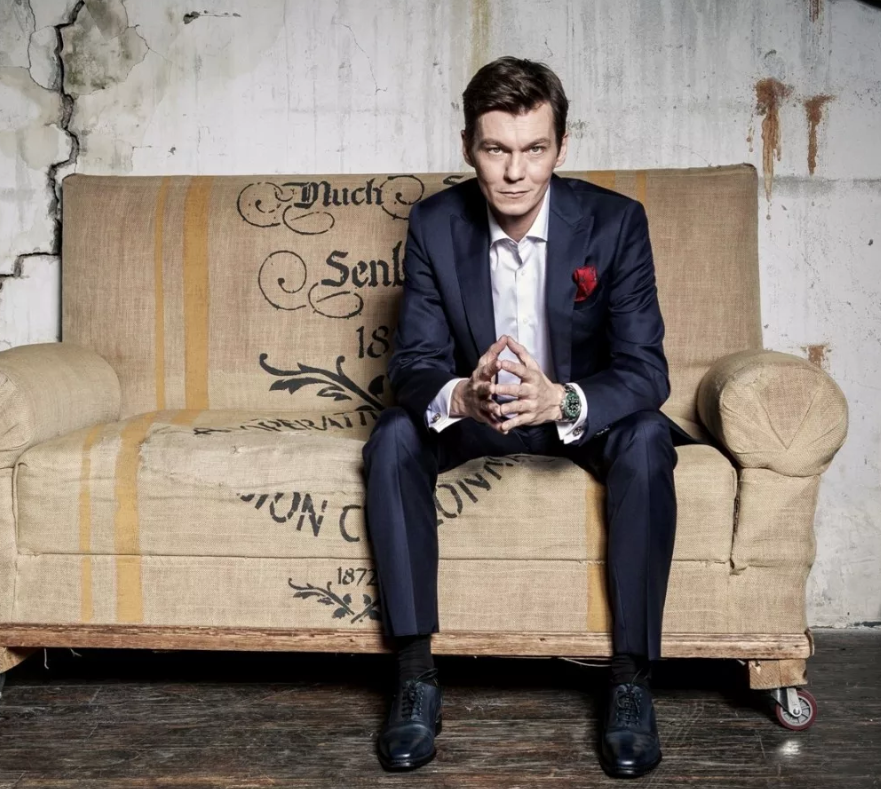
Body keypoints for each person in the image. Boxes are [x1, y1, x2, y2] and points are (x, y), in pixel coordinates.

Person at [362, 55, 696, 778]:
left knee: (646, 437)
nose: (515, 172)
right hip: (479, 412)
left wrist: (563, 399)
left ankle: (631, 682)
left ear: (561, 147)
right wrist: (462, 393)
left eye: (534, 149)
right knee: (391, 435)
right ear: (467, 147)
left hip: (576, 413)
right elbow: (413, 362)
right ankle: (415, 676)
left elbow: (646, 370)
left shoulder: (615, 223)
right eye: (496, 149)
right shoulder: (434, 222)